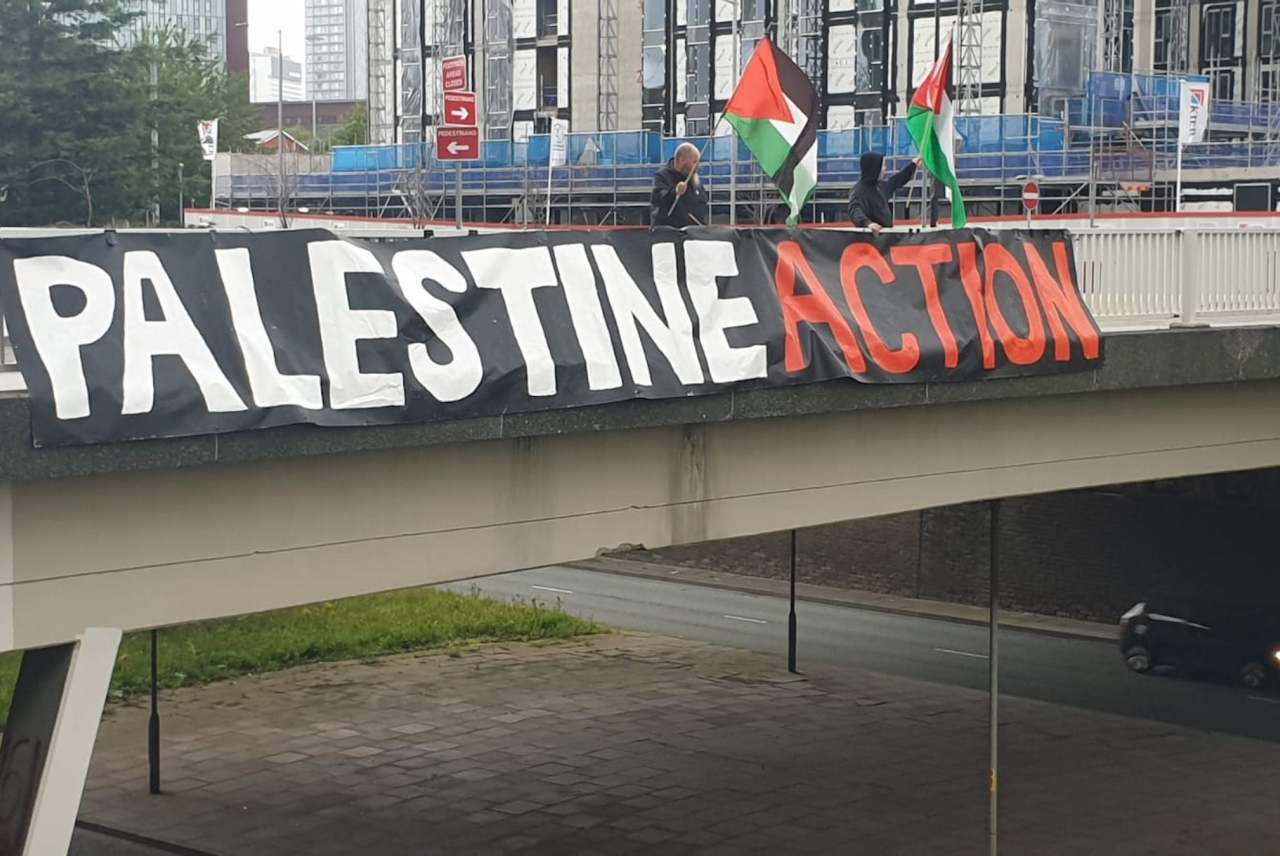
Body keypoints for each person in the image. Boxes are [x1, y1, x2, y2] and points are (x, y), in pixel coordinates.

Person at [847, 151, 921, 233]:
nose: (885, 168)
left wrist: (913, 164)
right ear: (875, 167)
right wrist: (868, 224)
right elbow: (854, 210)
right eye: (883, 165)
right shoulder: (858, 191)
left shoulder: (880, 186)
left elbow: (897, 180)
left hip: (885, 238)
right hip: (870, 239)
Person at [650, 142, 709, 228]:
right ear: (681, 159)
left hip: (694, 232)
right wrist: (675, 192)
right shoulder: (662, 176)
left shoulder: (695, 180)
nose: (697, 167)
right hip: (669, 233)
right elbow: (658, 199)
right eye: (694, 162)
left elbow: (703, 202)